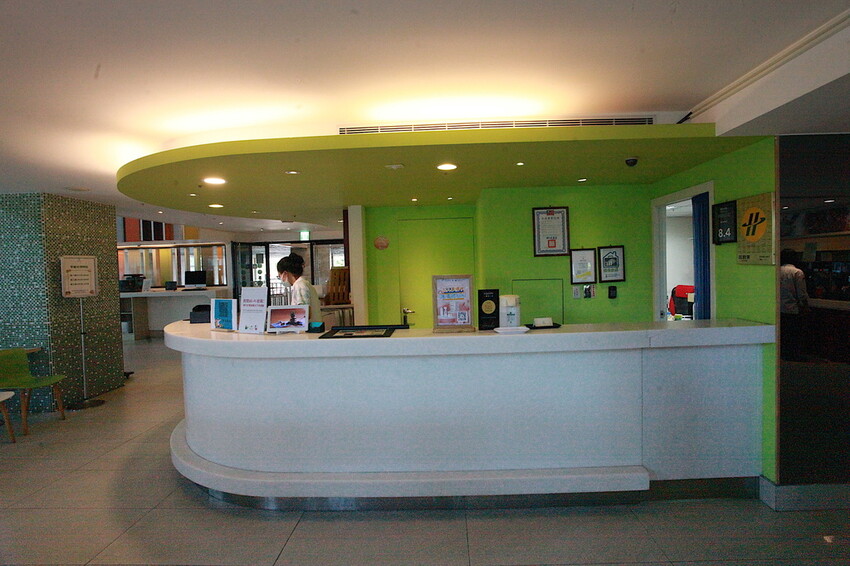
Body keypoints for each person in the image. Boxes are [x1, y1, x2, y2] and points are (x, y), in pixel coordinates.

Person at [779, 249, 810, 361]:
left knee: (783, 335)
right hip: (792, 309)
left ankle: (782, 354)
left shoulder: (776, 271)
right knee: (793, 335)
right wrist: (805, 307)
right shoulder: (797, 272)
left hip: (778, 310)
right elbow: (802, 293)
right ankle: (793, 355)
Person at [277, 253, 321, 323]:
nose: (281, 279)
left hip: (309, 328)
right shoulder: (303, 283)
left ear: (285, 273)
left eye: (279, 276)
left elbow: (305, 313)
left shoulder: (299, 285)